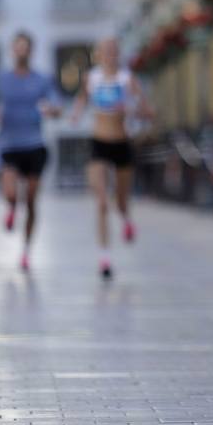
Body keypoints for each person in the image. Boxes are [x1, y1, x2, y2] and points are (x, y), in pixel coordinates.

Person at [71, 37, 151, 278]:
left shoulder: (127, 79)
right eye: (105, 50)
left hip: (122, 143)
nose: (109, 54)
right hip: (98, 143)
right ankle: (104, 258)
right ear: (98, 54)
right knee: (102, 201)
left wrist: (132, 110)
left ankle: (126, 220)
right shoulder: (91, 78)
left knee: (121, 202)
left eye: (113, 50)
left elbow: (148, 111)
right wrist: (74, 115)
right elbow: (81, 102)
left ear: (118, 53)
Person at [0, 31, 61, 272]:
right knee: (11, 193)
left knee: (31, 201)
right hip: (9, 144)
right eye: (17, 47)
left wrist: (51, 111)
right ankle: (11, 208)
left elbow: (56, 105)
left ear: (31, 51)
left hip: (34, 145)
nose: (21, 51)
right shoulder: (2, 79)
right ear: (12, 50)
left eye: (25, 47)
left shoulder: (42, 79)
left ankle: (26, 251)